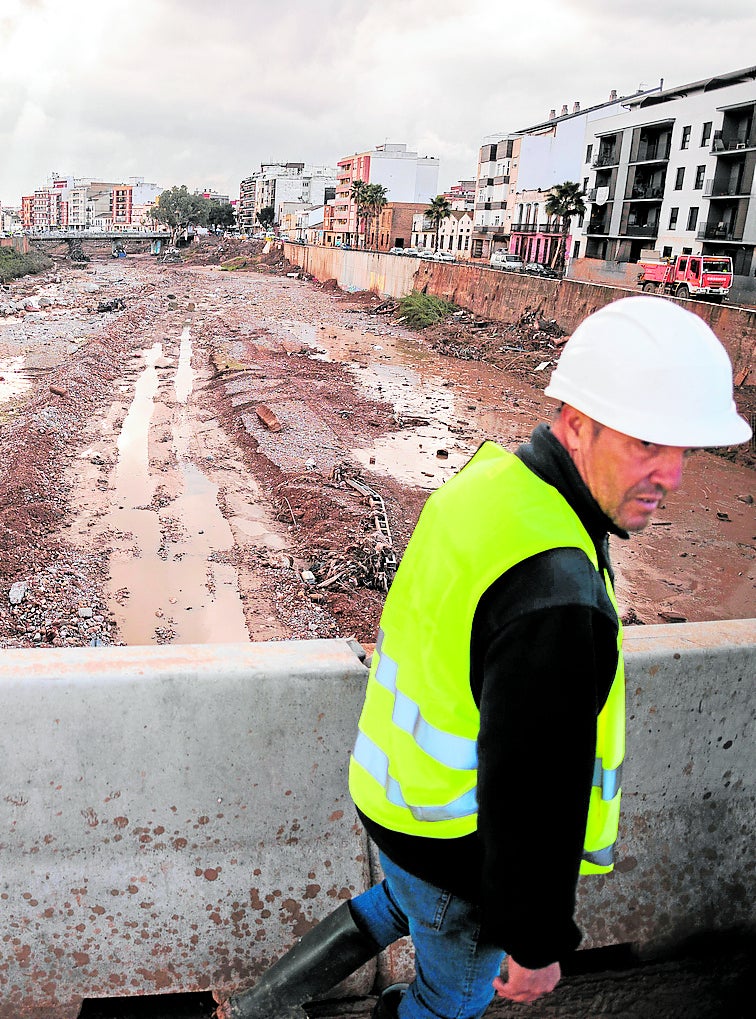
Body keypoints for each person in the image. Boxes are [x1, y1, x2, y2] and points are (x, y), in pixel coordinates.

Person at [216, 296, 751, 1019]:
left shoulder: (494, 484)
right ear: (576, 423)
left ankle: (255, 1006)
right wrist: (534, 944)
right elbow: (534, 796)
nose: (673, 475)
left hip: (395, 797)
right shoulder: (556, 593)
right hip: (456, 849)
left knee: (400, 901)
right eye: (647, 444)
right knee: (450, 998)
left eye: (684, 450)